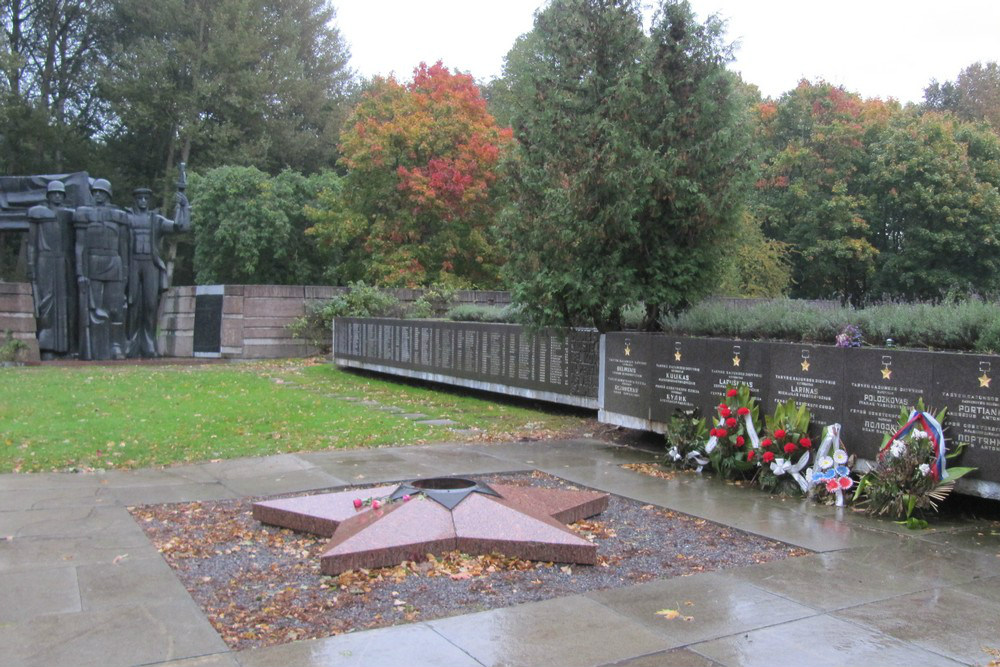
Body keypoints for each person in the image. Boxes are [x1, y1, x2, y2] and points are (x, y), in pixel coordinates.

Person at [124, 186, 190, 357]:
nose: (143, 201)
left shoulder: (156, 219)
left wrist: (183, 206)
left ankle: (148, 342)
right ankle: (131, 342)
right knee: (132, 304)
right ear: (135, 200)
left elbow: (180, 227)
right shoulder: (126, 218)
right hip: (132, 264)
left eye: (146, 198)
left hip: (150, 265)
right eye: (140, 198)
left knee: (150, 305)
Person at [74, 178, 128, 360]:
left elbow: (124, 247)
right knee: (95, 308)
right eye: (95, 191)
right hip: (93, 262)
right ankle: (96, 347)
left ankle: (115, 345)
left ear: (108, 194)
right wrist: (81, 272)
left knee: (115, 308)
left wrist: (125, 272)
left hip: (114, 262)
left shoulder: (118, 215)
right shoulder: (84, 214)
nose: (97, 195)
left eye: (101, 192)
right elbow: (79, 246)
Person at [26, 181, 76, 358]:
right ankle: (47, 346)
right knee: (46, 302)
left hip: (63, 261)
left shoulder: (69, 215)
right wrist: (31, 265)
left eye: (60, 193)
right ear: (48, 195)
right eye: (53, 193)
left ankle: (64, 348)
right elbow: (32, 244)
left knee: (65, 304)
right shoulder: (38, 214)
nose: (57, 196)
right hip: (45, 261)